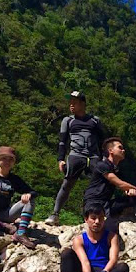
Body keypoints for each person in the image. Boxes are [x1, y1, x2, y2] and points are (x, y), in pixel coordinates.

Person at [45, 90, 106, 226]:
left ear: (83, 104)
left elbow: (102, 141)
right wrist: (60, 159)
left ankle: (102, 214)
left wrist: (104, 158)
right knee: (67, 183)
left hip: (93, 155)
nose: (71, 105)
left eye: (75, 102)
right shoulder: (68, 120)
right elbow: (62, 141)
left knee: (101, 184)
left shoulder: (95, 120)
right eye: (70, 102)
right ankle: (55, 214)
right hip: (76, 154)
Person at [56, 203, 129, 272]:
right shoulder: (79, 240)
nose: (97, 222)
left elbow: (113, 259)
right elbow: (84, 262)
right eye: (93, 218)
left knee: (123, 267)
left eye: (100, 218)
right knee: (66, 254)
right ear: (86, 219)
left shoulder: (111, 237)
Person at [83, 137, 136, 238]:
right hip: (93, 202)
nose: (123, 150)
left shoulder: (116, 170)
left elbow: (125, 187)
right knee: (108, 227)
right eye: (120, 148)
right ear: (110, 150)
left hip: (107, 203)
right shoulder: (102, 165)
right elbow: (120, 184)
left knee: (135, 198)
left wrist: (131, 191)